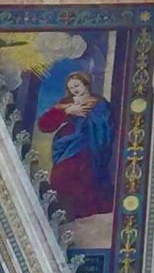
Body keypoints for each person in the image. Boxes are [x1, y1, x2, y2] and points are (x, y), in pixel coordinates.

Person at [42, 68, 116, 219]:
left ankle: (81, 210)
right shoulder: (66, 103)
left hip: (88, 145)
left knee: (77, 175)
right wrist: (67, 112)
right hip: (66, 144)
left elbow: (104, 124)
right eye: (71, 88)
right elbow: (45, 124)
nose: (74, 90)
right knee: (60, 176)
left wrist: (87, 121)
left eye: (77, 86)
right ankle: (65, 212)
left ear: (85, 84)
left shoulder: (99, 103)